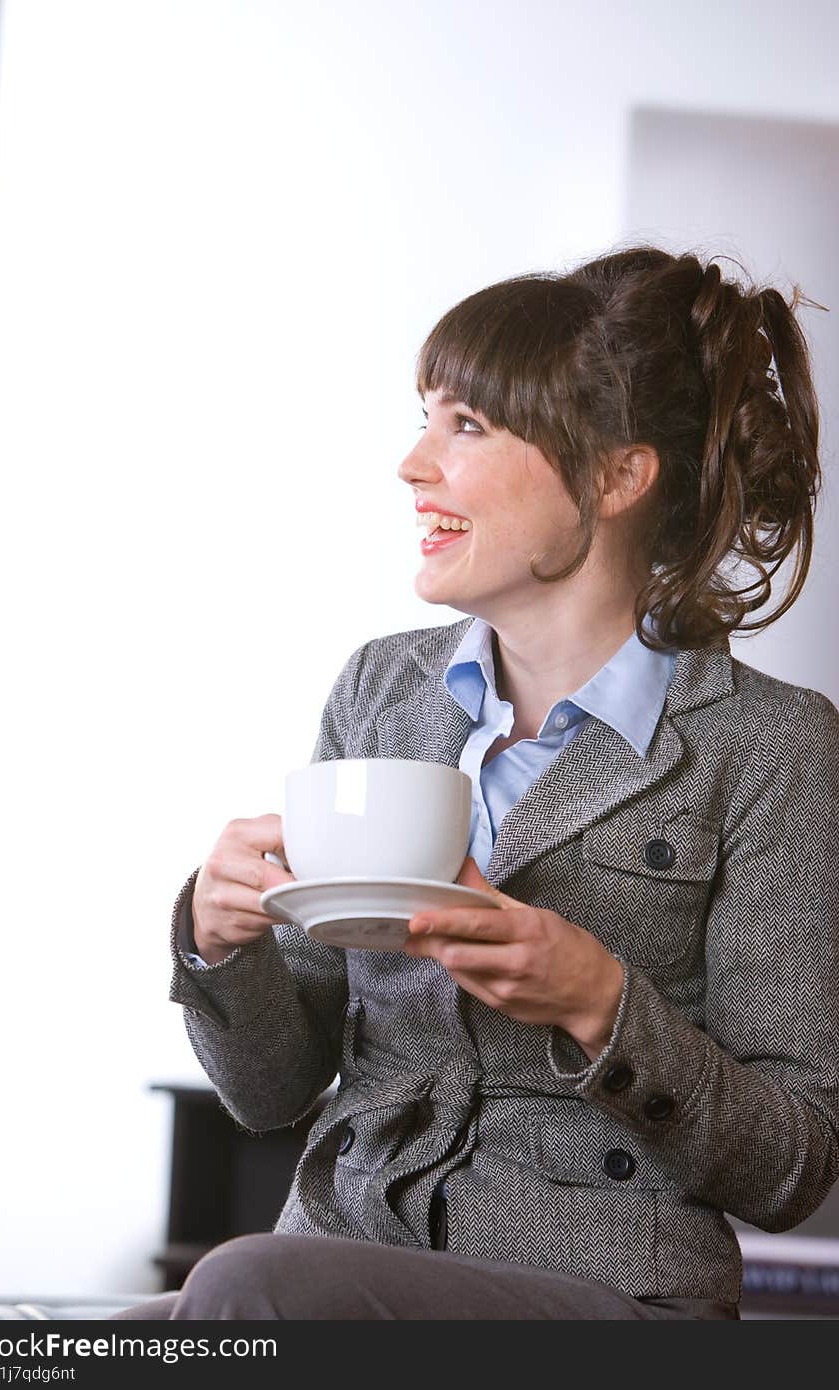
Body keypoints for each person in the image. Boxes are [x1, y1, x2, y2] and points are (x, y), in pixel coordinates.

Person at [115, 246, 839, 1320]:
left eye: (466, 425)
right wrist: (222, 941)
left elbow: (794, 1164)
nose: (413, 464)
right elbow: (268, 1092)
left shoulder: (772, 746)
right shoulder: (382, 688)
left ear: (613, 475)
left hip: (606, 1295)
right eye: (424, 418)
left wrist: (601, 1006)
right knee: (55, 1346)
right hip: (346, 1254)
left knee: (241, 1287)